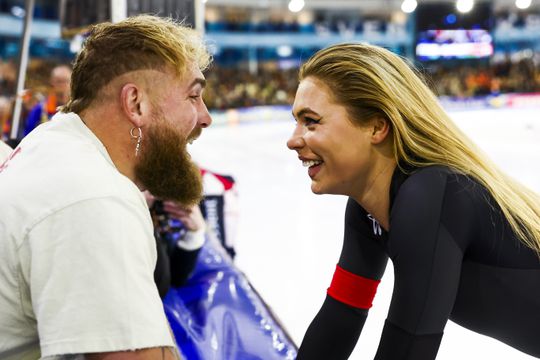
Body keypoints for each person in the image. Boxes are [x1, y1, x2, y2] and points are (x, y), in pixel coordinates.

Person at [287, 43, 540, 359]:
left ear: (377, 126)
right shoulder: (367, 213)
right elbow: (341, 316)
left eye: (311, 121)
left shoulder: (432, 194)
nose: (293, 140)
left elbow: (407, 351)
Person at [0, 15, 212, 360]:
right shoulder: (95, 199)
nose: (205, 117)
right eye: (193, 96)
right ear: (136, 104)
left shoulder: (55, 142)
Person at [23, 64, 72, 136]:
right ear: (52, 82)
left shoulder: (77, 108)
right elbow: (28, 135)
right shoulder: (40, 109)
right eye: (59, 81)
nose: (62, 85)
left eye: (66, 81)